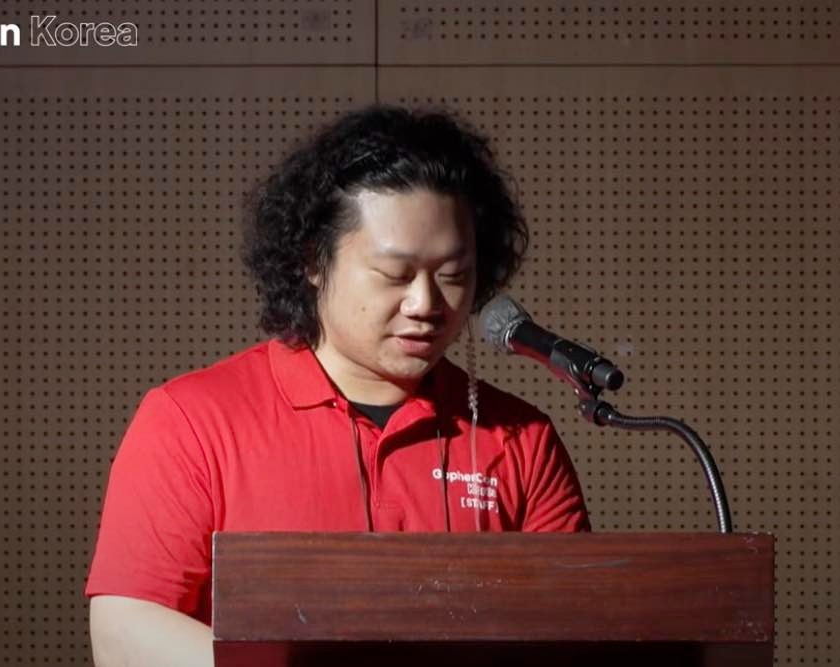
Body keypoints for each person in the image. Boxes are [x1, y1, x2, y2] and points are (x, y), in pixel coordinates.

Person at [85, 104, 591, 666]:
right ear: (314, 260)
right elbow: (123, 632)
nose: (425, 303)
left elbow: (573, 633)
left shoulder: (521, 441)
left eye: (453, 276)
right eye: (395, 275)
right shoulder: (191, 420)